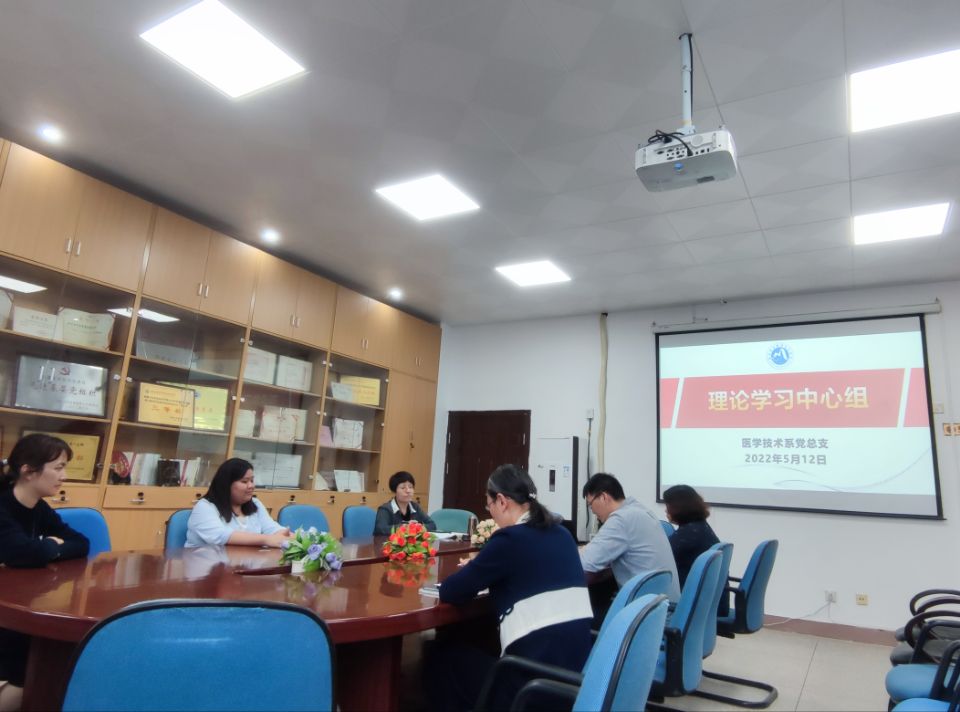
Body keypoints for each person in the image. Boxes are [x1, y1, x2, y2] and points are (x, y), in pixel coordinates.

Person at [429, 464, 593, 711]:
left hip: (532, 686)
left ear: (502, 501)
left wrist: (477, 567)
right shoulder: (562, 534)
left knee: (441, 657)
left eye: (489, 506)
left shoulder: (509, 539)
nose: (491, 513)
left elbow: (452, 591)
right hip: (572, 678)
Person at [0, 433, 91, 707]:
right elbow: (24, 552)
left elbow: (81, 543)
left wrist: (49, 547)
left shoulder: (38, 508)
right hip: (5, 609)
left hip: (21, 598)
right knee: (34, 655)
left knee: (56, 655)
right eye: (58, 468)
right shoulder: (3, 505)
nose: (64, 476)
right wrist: (49, 546)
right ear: (28, 471)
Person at [580, 473, 681, 603]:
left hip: (648, 609)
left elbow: (585, 563)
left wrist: (579, 550)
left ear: (603, 497)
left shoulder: (621, 519)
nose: (592, 511)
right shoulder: (640, 510)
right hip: (663, 604)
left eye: (590, 505)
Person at [185, 458, 292, 548]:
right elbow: (220, 536)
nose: (251, 486)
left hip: (243, 564)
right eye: (244, 481)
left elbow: (272, 529)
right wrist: (267, 540)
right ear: (226, 484)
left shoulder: (255, 504)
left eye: (252, 481)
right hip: (204, 564)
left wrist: (287, 536)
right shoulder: (204, 507)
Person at [663, 484, 720, 588]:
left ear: (678, 508)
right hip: (708, 593)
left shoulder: (686, 536)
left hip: (686, 593)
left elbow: (660, 561)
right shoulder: (701, 526)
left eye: (668, 506)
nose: (666, 510)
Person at [373, 471, 437, 535]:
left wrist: (417, 527)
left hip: (411, 541)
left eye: (410, 487)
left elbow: (432, 525)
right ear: (395, 491)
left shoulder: (415, 507)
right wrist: (405, 527)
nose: (408, 491)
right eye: (403, 488)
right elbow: (380, 529)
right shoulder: (385, 509)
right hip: (389, 541)